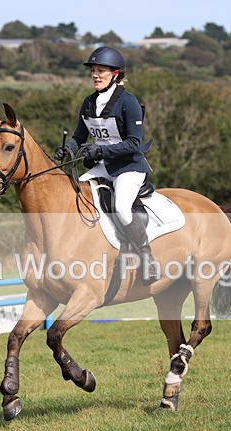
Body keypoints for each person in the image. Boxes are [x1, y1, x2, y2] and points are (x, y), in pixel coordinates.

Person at [54, 46, 160, 283]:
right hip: (103, 166)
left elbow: (134, 143)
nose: (95, 75)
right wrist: (67, 149)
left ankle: (146, 257)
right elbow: (79, 137)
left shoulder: (128, 102)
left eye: (101, 71)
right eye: (93, 70)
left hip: (129, 167)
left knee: (121, 207)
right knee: (72, 196)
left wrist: (101, 149)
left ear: (115, 73)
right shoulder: (89, 103)